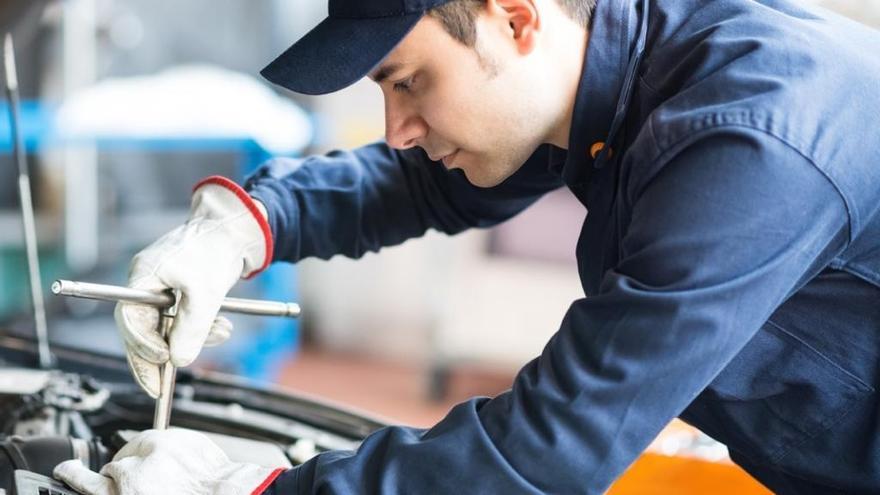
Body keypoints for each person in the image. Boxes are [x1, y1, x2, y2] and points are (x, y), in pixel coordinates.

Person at [54, 0, 880, 493]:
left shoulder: (746, 139)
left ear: (515, 17)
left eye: (409, 82)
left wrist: (264, 487)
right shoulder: (624, 59)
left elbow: (551, 449)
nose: (398, 130)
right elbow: (421, 181)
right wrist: (240, 227)